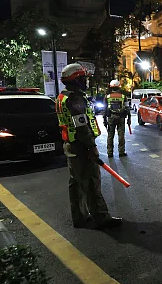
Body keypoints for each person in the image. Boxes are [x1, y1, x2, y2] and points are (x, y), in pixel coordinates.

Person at [55, 64, 122, 229]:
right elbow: (82, 126)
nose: (86, 81)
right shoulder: (75, 99)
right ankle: (101, 218)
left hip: (71, 145)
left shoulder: (62, 96)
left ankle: (79, 217)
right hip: (82, 146)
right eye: (83, 78)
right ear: (76, 80)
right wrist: (92, 147)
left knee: (76, 183)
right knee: (92, 182)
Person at [104, 80, 130, 157]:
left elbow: (105, 109)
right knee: (121, 135)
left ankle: (110, 152)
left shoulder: (107, 97)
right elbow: (127, 108)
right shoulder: (123, 96)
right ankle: (121, 152)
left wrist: (104, 119)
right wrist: (129, 118)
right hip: (121, 117)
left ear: (111, 87)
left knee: (110, 135)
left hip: (111, 117)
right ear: (119, 87)